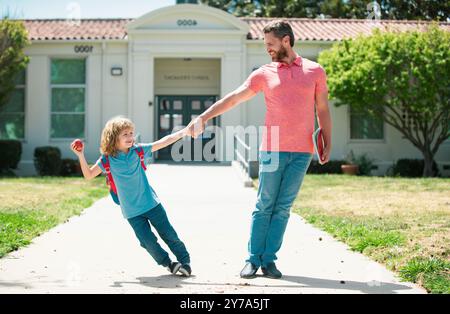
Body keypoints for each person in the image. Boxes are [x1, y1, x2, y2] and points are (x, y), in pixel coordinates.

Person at [187, 20, 332, 279]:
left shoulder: (314, 71)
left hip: (302, 151)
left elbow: (322, 109)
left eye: (270, 44)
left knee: (283, 207)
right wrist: (204, 117)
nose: (267, 49)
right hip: (273, 150)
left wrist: (327, 141)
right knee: (265, 204)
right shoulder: (264, 73)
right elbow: (233, 98)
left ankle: (269, 260)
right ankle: (252, 260)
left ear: (286, 40)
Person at [70, 116, 192, 277]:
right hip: (132, 212)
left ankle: (185, 262)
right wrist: (80, 155)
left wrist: (183, 132)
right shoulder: (107, 160)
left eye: (131, 133)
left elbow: (163, 141)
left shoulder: (138, 151)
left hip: (152, 204)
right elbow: (89, 175)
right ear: (114, 138)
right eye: (125, 134)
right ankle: (169, 264)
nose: (130, 137)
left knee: (168, 234)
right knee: (147, 242)